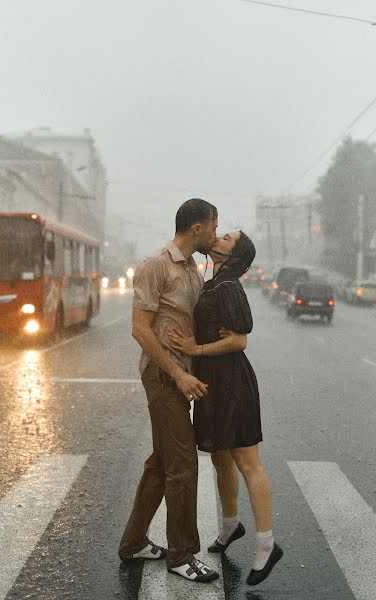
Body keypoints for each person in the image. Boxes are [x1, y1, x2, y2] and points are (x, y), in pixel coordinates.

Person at [169, 230, 283, 586]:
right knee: (220, 458)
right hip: (214, 384)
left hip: (232, 384)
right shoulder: (214, 280)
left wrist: (195, 349)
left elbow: (239, 339)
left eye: (226, 237)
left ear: (233, 255)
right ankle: (230, 526)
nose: (216, 237)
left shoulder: (229, 285)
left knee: (248, 463)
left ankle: (267, 543)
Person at [119, 198, 221, 583]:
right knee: (183, 465)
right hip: (164, 379)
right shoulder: (156, 266)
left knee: (161, 464)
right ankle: (182, 555)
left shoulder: (193, 269)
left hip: (181, 376)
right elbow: (139, 328)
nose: (214, 233)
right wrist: (178, 375)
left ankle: (133, 543)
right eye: (213, 226)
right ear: (197, 227)